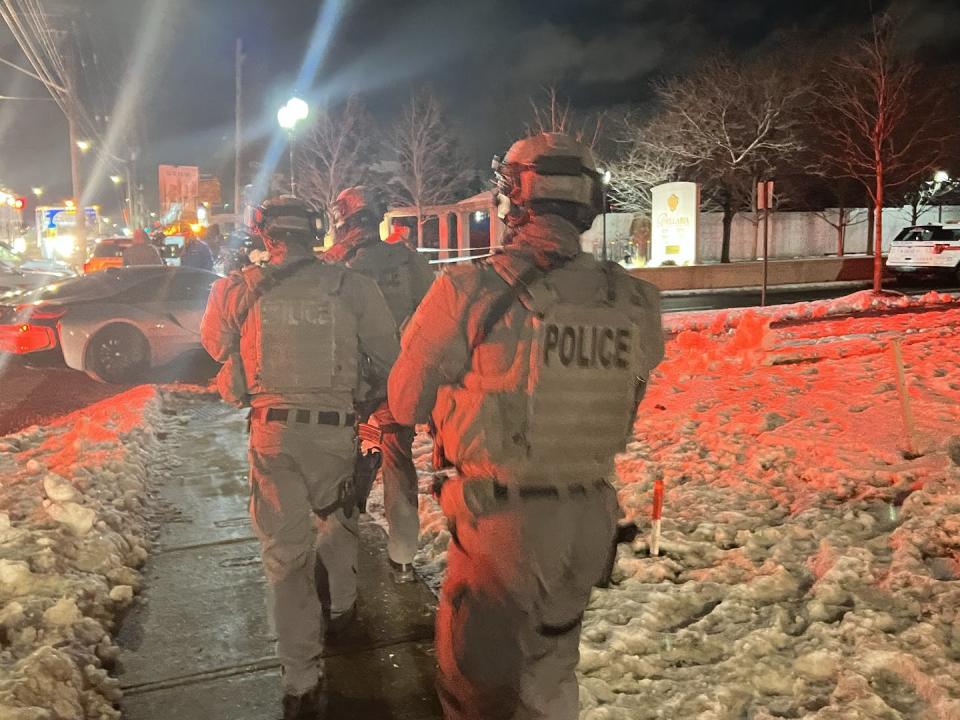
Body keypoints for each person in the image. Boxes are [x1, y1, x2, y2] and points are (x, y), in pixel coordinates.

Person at [387, 133, 664, 720]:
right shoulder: (633, 300)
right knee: (552, 674)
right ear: (590, 203)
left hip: (501, 526)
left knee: (475, 693)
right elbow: (624, 403)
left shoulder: (467, 288)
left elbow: (405, 401)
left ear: (515, 195)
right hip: (588, 519)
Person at [200, 195, 399, 719]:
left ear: (266, 235)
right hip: (334, 431)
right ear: (315, 233)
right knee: (337, 521)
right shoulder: (352, 286)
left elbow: (215, 347)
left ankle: (300, 679)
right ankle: (343, 607)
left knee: (286, 559)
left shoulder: (238, 288)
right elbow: (390, 356)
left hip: (272, 433)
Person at [323, 186, 435, 582]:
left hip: (347, 388)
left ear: (343, 220)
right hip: (397, 384)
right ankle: (402, 557)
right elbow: (433, 323)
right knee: (397, 463)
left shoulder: (333, 265)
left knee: (343, 466)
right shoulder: (408, 262)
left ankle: (344, 548)